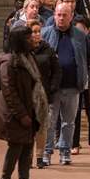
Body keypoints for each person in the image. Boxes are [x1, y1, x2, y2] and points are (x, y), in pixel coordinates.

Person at [0, 26, 45, 179]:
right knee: (15, 147)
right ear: (20, 40)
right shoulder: (9, 63)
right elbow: (8, 91)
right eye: (29, 38)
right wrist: (22, 115)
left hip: (30, 108)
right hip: (14, 113)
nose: (33, 39)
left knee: (28, 146)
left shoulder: (29, 56)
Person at [41, 2, 90, 165]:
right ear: (54, 15)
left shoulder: (80, 35)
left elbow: (88, 56)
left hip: (72, 86)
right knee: (49, 122)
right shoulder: (45, 33)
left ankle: (64, 151)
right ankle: (47, 152)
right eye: (58, 14)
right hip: (51, 88)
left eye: (64, 15)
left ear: (71, 17)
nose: (61, 18)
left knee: (68, 122)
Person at [27, 19, 60, 169]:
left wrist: (52, 87)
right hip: (27, 95)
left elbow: (57, 70)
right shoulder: (23, 51)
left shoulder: (48, 49)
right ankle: (27, 158)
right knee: (28, 129)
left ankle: (40, 157)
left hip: (44, 94)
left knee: (42, 127)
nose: (36, 34)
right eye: (33, 32)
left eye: (38, 31)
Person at [71, 15, 90, 155]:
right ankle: (75, 144)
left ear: (88, 30)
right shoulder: (70, 42)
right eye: (76, 29)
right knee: (75, 114)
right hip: (75, 82)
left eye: (82, 29)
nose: (79, 32)